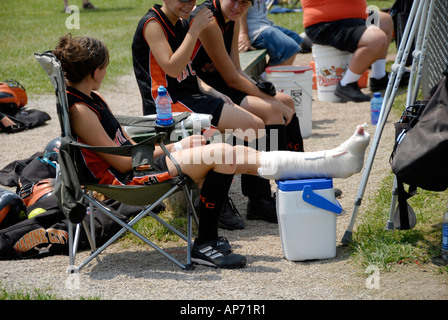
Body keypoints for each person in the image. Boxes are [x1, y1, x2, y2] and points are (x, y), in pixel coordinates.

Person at [53, 34, 370, 268]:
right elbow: (118, 161)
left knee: (224, 150)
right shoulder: (82, 109)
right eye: (105, 68)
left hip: (140, 166)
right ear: (94, 71)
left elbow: (123, 146)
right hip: (129, 180)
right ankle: (206, 241)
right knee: (223, 153)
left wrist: (173, 147)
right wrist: (174, 146)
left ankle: (328, 162)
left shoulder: (90, 99)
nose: (105, 73)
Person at [132, 0, 302, 226]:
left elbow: (191, 72)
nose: (188, 4)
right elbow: (172, 67)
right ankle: (222, 201)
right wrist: (194, 29)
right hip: (168, 104)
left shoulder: (181, 22)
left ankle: (276, 189)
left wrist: (211, 91)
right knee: (255, 124)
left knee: (263, 119)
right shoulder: (155, 23)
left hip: (192, 95)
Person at [188, 0, 306, 223]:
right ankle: (259, 198)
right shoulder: (209, 18)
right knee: (271, 110)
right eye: (235, 0)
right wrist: (268, 100)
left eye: (245, 3)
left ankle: (298, 180)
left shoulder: (231, 18)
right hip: (206, 90)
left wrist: (264, 91)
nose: (238, 7)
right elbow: (232, 78)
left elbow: (237, 70)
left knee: (286, 101)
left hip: (223, 84)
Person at [301, 0, 398, 102]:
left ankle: (379, 77)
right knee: (376, 39)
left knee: (384, 20)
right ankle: (347, 84)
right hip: (326, 23)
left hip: (349, 18)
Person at [238, 0, 305, 67]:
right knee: (289, 48)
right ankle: (269, 76)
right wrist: (243, 33)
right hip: (252, 28)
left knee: (296, 39)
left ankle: (267, 75)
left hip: (264, 24)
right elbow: (240, 5)